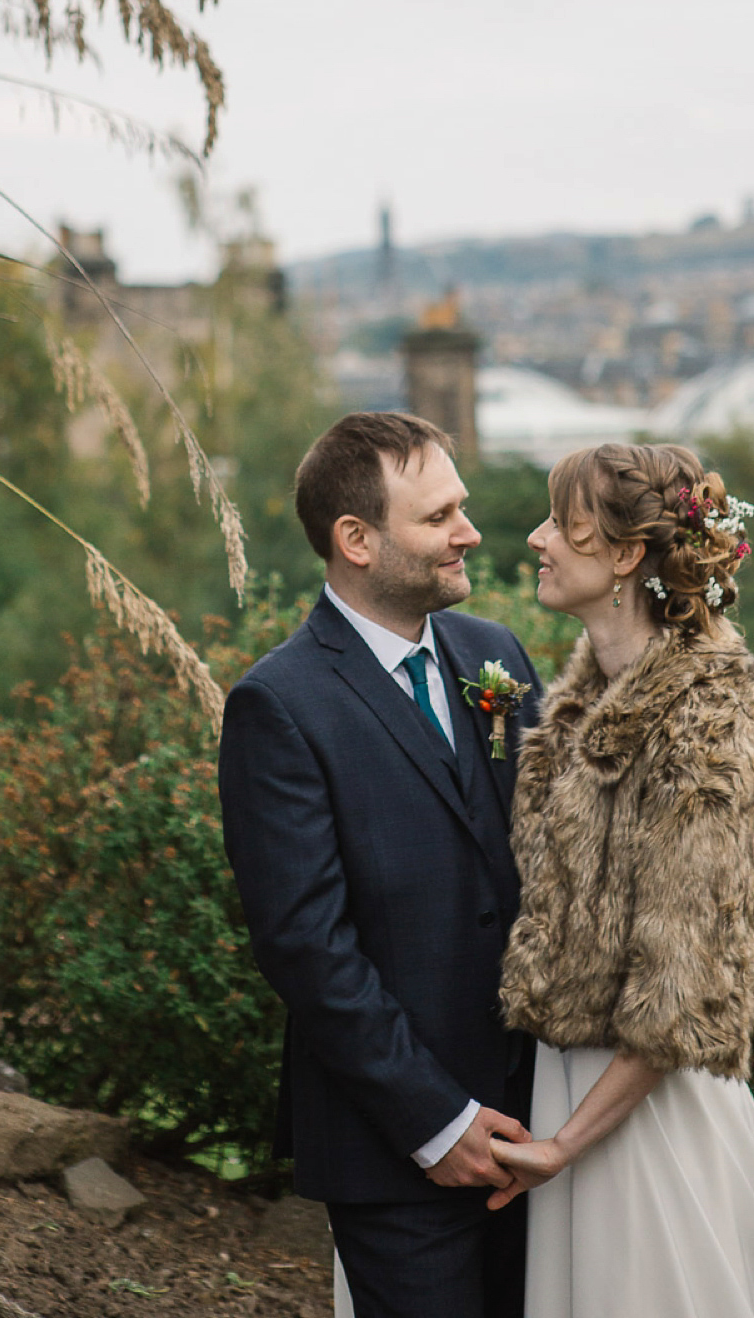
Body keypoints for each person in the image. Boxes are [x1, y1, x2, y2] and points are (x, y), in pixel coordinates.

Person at [217, 412, 543, 1318]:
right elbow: (305, 948)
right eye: (439, 518)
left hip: (539, 1123)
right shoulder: (278, 706)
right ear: (355, 540)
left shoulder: (495, 656)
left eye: (462, 509)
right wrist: (439, 1124)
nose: (469, 533)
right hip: (398, 1152)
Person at [491, 441, 754, 1318]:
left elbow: (685, 993)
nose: (536, 537)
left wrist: (564, 1147)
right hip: (572, 1094)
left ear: (625, 556)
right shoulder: (582, 704)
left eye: (562, 522)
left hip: (648, 1120)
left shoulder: (708, 724)